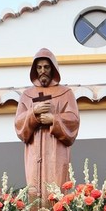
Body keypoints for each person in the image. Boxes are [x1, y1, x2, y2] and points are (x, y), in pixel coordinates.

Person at [14, 48, 80, 202]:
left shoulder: (66, 93)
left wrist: (54, 119)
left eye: (46, 67)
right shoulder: (27, 95)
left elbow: (73, 120)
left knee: (57, 188)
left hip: (56, 150)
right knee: (33, 189)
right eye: (39, 67)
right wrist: (33, 113)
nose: (42, 71)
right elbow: (18, 124)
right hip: (33, 150)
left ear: (53, 69)